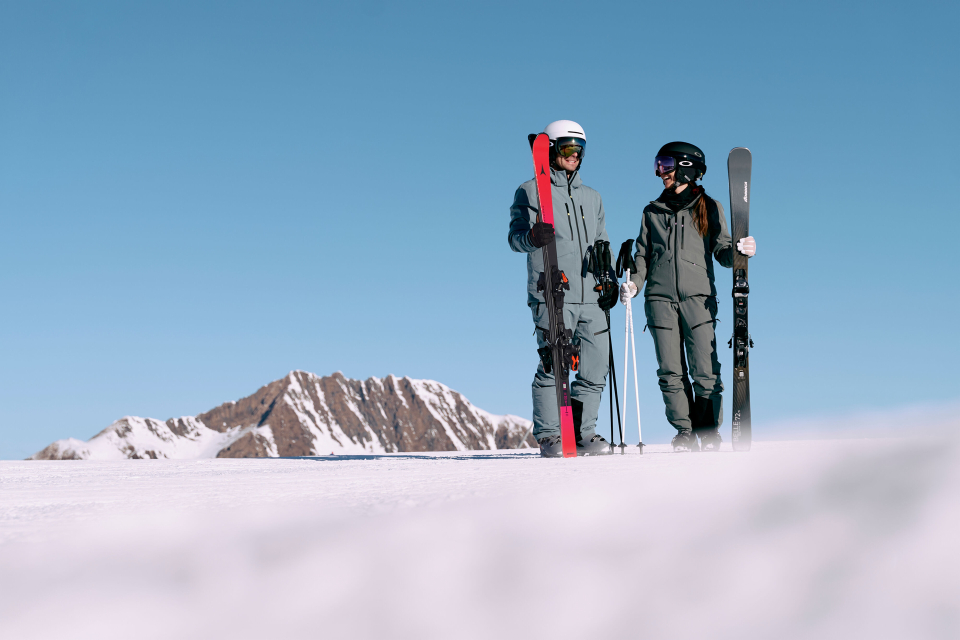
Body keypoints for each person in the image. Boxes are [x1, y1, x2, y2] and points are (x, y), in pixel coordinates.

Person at [619, 142, 756, 452]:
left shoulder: (709, 206)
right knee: (670, 371)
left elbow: (722, 251)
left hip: (698, 299)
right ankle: (684, 432)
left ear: (686, 167)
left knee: (705, 369)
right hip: (658, 300)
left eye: (666, 164)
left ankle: (708, 433)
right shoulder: (652, 211)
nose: (660, 171)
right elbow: (642, 255)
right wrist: (634, 284)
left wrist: (739, 250)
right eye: (659, 164)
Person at [508, 120, 618, 457]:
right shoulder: (530, 191)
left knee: (595, 366)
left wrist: (608, 277)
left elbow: (602, 242)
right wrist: (532, 238)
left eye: (580, 150)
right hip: (552, 290)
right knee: (554, 363)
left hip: (591, 295)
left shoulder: (593, 197)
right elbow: (514, 239)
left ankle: (583, 433)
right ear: (553, 149)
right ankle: (550, 435)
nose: (575, 156)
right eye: (569, 149)